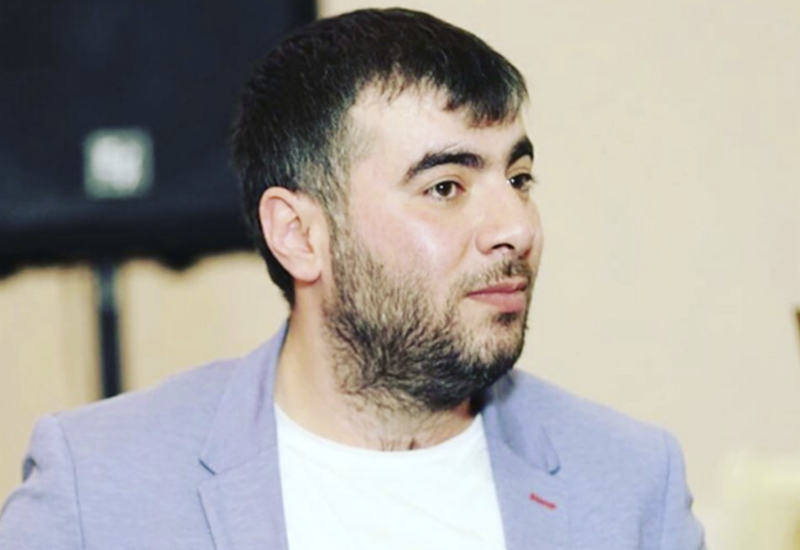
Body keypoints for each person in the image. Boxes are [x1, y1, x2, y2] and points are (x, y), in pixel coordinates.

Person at [0, 8, 705, 550]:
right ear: (299, 235)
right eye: (445, 187)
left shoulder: (631, 483)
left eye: (518, 178)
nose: (516, 228)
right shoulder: (97, 488)